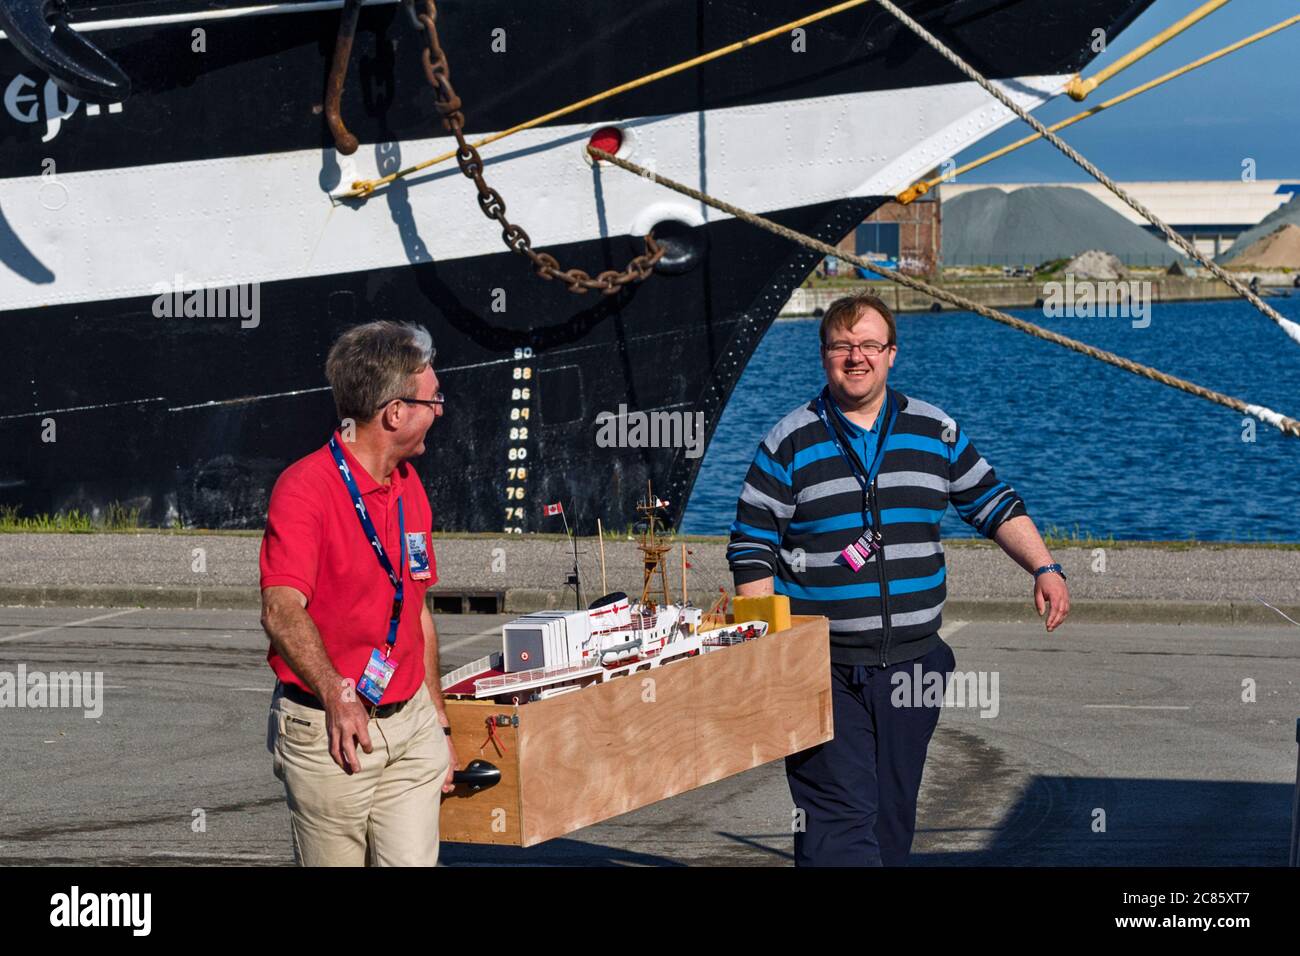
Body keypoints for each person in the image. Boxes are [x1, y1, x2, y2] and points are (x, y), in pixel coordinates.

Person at [727, 293, 1069, 867]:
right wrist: (768, 653)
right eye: (842, 346)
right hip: (820, 664)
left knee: (890, 816)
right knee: (837, 817)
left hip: (915, 664)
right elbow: (751, 546)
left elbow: (992, 503)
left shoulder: (933, 430)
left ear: (891, 355)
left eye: (868, 345)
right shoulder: (789, 439)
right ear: (824, 356)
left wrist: (1045, 567)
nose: (855, 357)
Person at [259, 320, 458, 866]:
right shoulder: (305, 490)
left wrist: (437, 721)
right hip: (333, 734)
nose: (439, 410)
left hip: (411, 726)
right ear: (396, 413)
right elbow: (281, 610)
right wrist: (336, 693)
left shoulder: (409, 488)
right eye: (432, 398)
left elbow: (415, 611)